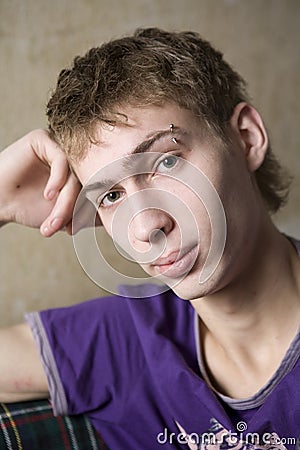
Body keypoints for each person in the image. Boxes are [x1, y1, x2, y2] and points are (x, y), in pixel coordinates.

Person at [0, 28, 299, 449]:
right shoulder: (127, 343)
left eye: (168, 162)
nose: (145, 227)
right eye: (110, 195)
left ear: (246, 138)